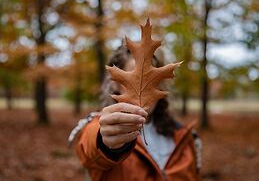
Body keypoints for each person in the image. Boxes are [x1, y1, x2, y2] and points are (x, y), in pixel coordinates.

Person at [69, 44, 202, 181]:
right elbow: (89, 149)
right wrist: (106, 143)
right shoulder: (98, 127)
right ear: (114, 82)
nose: (145, 90)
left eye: (153, 80)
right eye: (136, 80)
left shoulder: (185, 138)